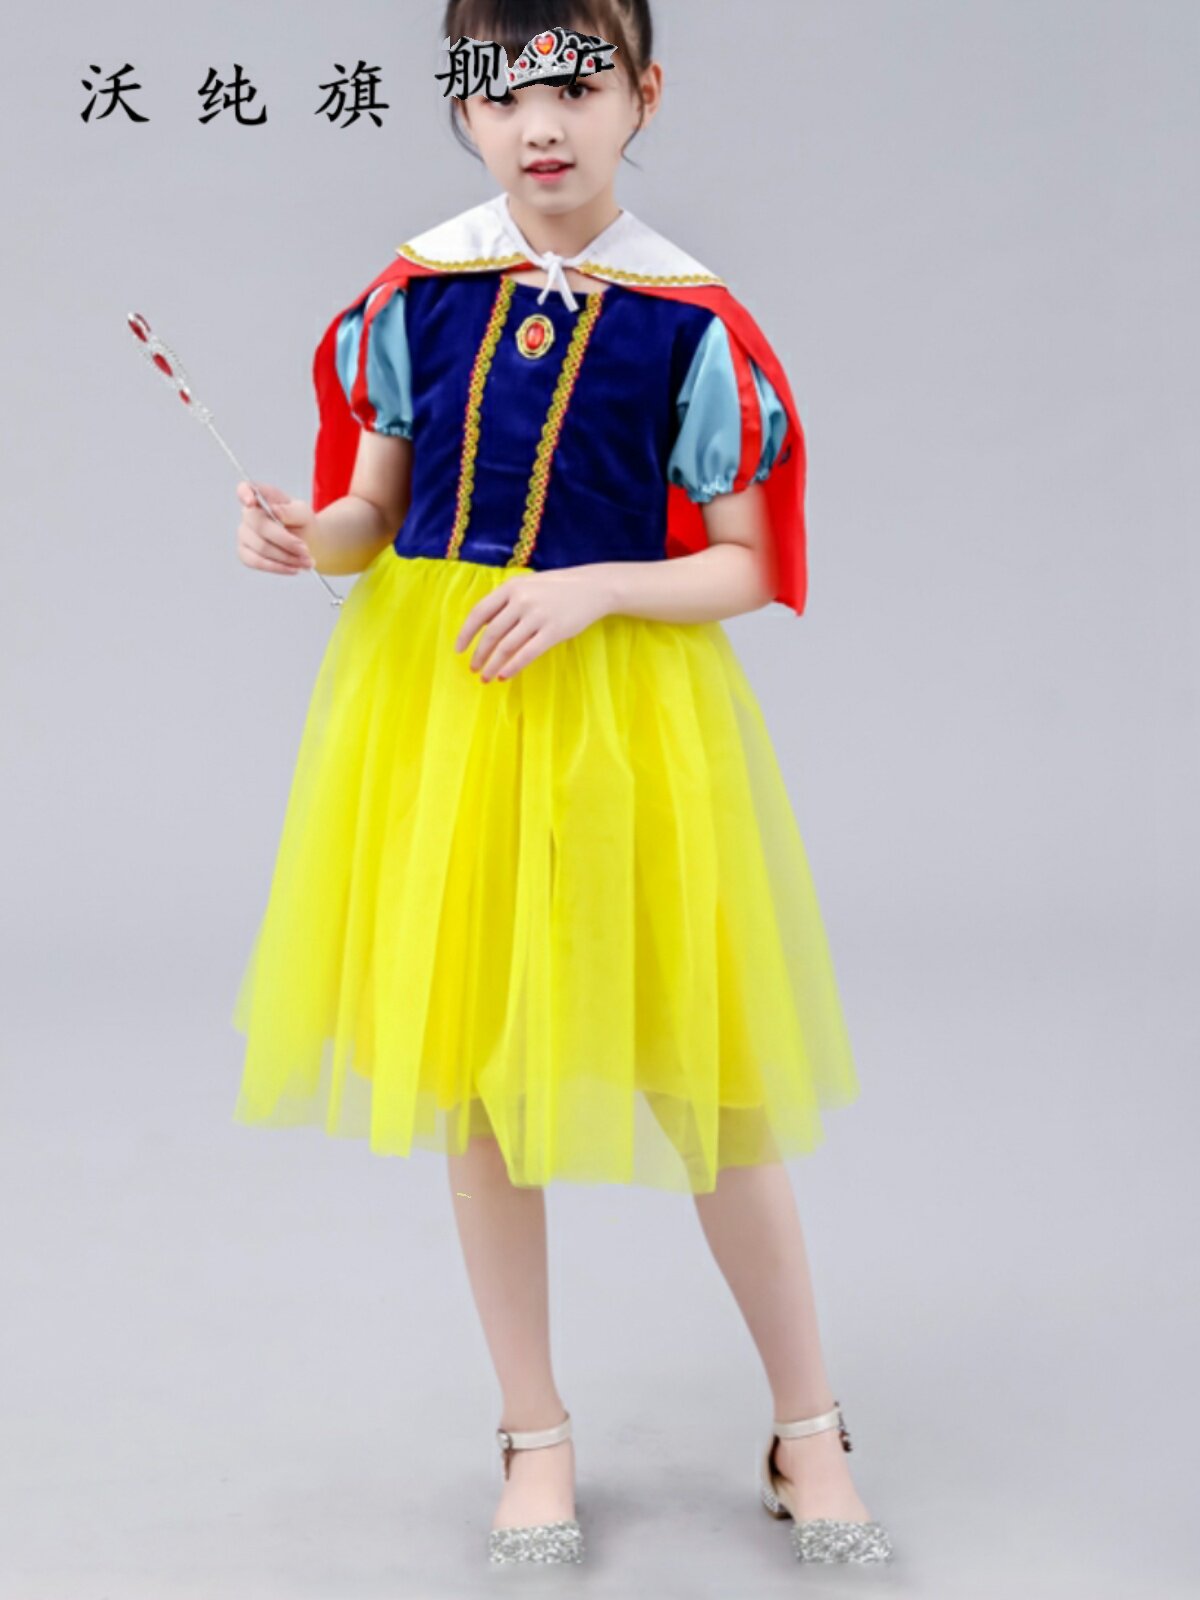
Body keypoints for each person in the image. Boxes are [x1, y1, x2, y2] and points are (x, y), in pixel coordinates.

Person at [229, 0, 893, 1570]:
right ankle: (533, 1434)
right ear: (462, 109)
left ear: (642, 94)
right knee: (480, 1078)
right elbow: (372, 511)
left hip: (623, 718)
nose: (542, 122)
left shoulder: (688, 322)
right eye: (502, 90)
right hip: (448, 709)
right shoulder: (418, 294)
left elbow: (746, 563)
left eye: (579, 85)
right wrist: (306, 534)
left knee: (712, 1081)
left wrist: (597, 588)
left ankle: (807, 1428)